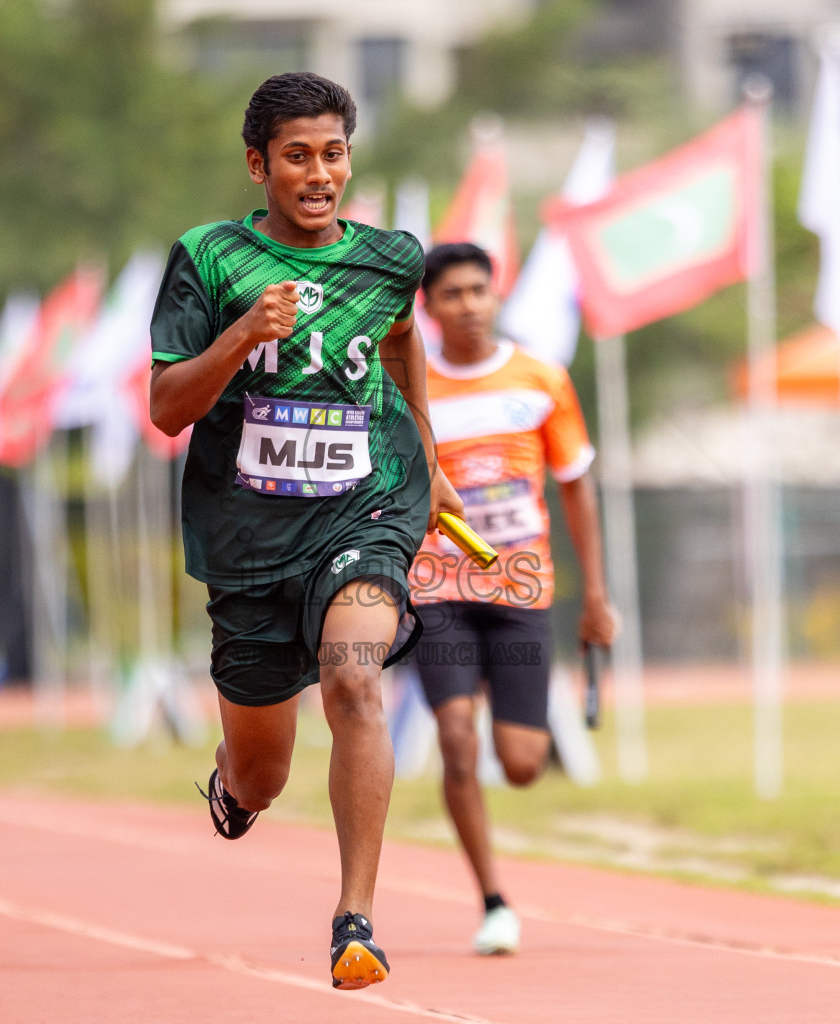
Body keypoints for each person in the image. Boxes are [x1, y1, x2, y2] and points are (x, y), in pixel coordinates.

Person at [146, 71, 461, 991]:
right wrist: (243, 333)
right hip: (245, 538)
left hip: (365, 509)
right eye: (297, 157)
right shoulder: (209, 259)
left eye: (334, 153)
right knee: (262, 776)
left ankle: (353, 919)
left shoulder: (392, 259)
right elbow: (168, 408)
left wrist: (430, 458)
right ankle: (234, 782)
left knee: (354, 681)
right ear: (259, 166)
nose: (319, 173)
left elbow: (403, 344)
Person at [409, 242, 617, 955]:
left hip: (521, 591)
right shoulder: (408, 387)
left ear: (496, 297)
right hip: (435, 589)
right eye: (452, 295)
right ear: (427, 307)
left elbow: (576, 485)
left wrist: (596, 595)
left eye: (478, 291)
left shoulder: (541, 379)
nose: (468, 305)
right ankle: (493, 900)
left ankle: (501, 708)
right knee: (457, 741)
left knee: (523, 763)